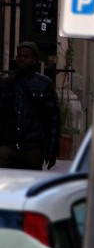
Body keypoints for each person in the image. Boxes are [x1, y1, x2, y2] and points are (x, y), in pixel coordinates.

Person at [0, 41, 60, 169]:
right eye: (19, 56)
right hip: (9, 144)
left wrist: (52, 149)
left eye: (26, 57)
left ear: (34, 60)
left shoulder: (44, 84)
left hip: (33, 147)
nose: (22, 59)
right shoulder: (7, 83)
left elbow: (53, 118)